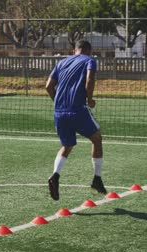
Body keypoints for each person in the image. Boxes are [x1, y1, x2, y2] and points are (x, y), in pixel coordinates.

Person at [45, 40, 107, 201]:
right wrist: (90, 99)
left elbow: (48, 86)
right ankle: (97, 179)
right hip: (78, 109)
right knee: (97, 139)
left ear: (75, 50)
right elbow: (90, 80)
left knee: (67, 146)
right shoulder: (89, 60)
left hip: (59, 112)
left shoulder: (62, 62)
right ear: (89, 50)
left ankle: (55, 176)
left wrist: (58, 102)